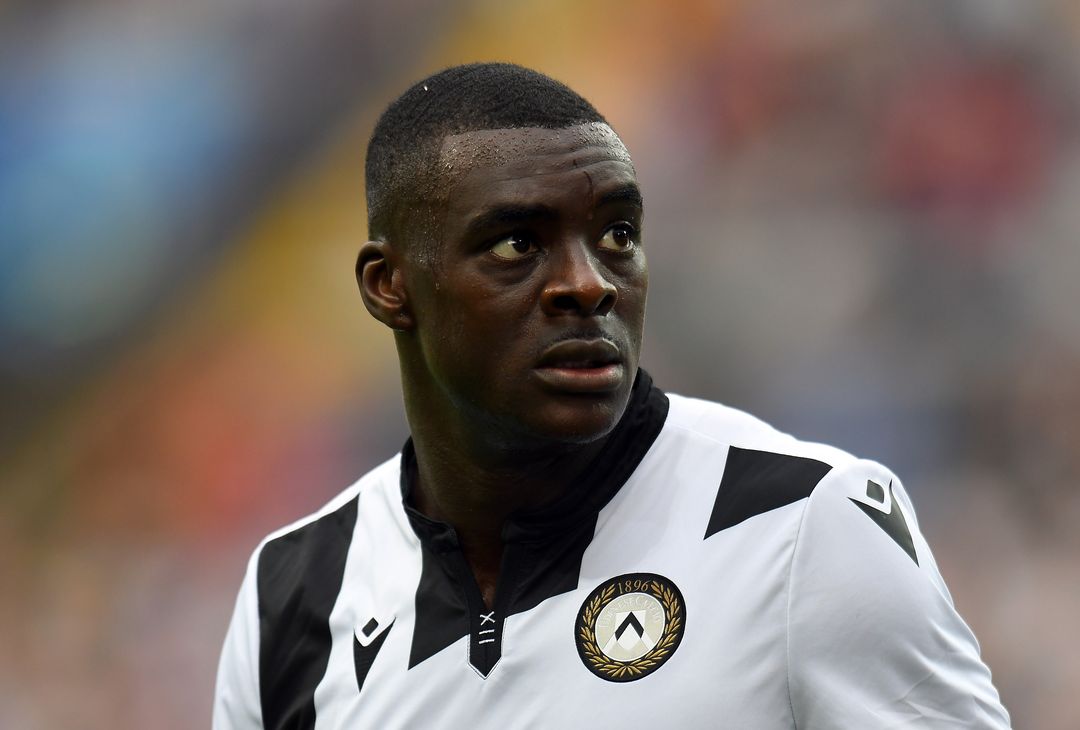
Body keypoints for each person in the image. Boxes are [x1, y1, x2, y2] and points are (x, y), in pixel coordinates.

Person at [213, 62, 1010, 729]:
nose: (589, 283)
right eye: (517, 244)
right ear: (389, 287)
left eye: (617, 234)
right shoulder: (294, 589)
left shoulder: (802, 521)